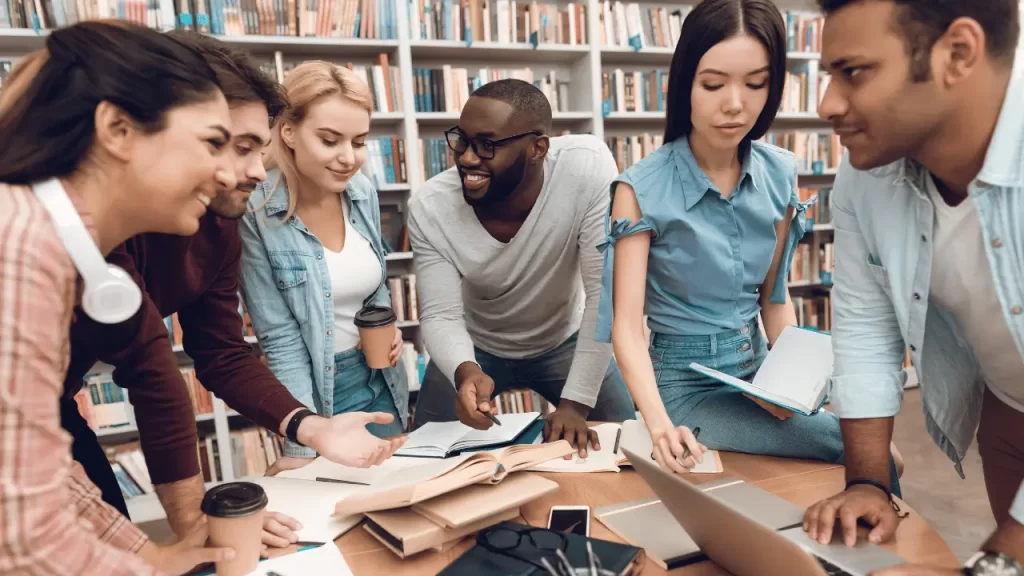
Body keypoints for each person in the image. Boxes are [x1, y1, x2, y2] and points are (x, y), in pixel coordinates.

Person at [59, 33, 405, 548]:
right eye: (230, 147)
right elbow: (152, 371)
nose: (251, 172)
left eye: (254, 149)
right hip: (30, 404)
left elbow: (220, 351)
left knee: (115, 545)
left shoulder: (220, 220)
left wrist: (309, 428)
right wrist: (194, 525)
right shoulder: (71, 224)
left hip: (51, 401)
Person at [595, 0, 904, 485]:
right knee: (869, 454)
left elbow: (774, 304)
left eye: (755, 84)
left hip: (761, 373)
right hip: (682, 388)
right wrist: (659, 425)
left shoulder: (780, 172)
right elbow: (627, 331)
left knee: (877, 451)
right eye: (713, 84)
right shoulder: (640, 189)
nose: (735, 103)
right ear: (685, 85)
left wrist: (794, 385)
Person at [0, 20, 247, 575]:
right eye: (212, 143)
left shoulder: (44, 242)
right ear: (117, 128)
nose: (228, 173)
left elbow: (44, 467)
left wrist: (147, 553)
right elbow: (26, 545)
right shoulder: (19, 250)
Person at [799, 1, 1024, 574]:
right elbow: (867, 327)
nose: (827, 103)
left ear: (958, 53)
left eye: (854, 72)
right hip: (1010, 408)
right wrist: (870, 484)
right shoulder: (863, 174)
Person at [409, 79, 635, 458]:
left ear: (537, 148)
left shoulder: (587, 167)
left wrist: (575, 404)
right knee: (425, 455)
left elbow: (603, 294)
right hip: (477, 347)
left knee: (627, 445)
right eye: (461, 140)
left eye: (487, 145)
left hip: (563, 340)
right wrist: (464, 370)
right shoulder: (430, 207)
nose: (466, 158)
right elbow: (440, 315)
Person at [239, 61, 410, 470]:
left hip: (382, 376)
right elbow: (279, 338)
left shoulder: (362, 191)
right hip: (318, 392)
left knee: (396, 499)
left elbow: (375, 286)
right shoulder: (255, 208)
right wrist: (301, 443)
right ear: (289, 131)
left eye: (359, 141)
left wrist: (389, 330)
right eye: (330, 140)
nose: (348, 158)